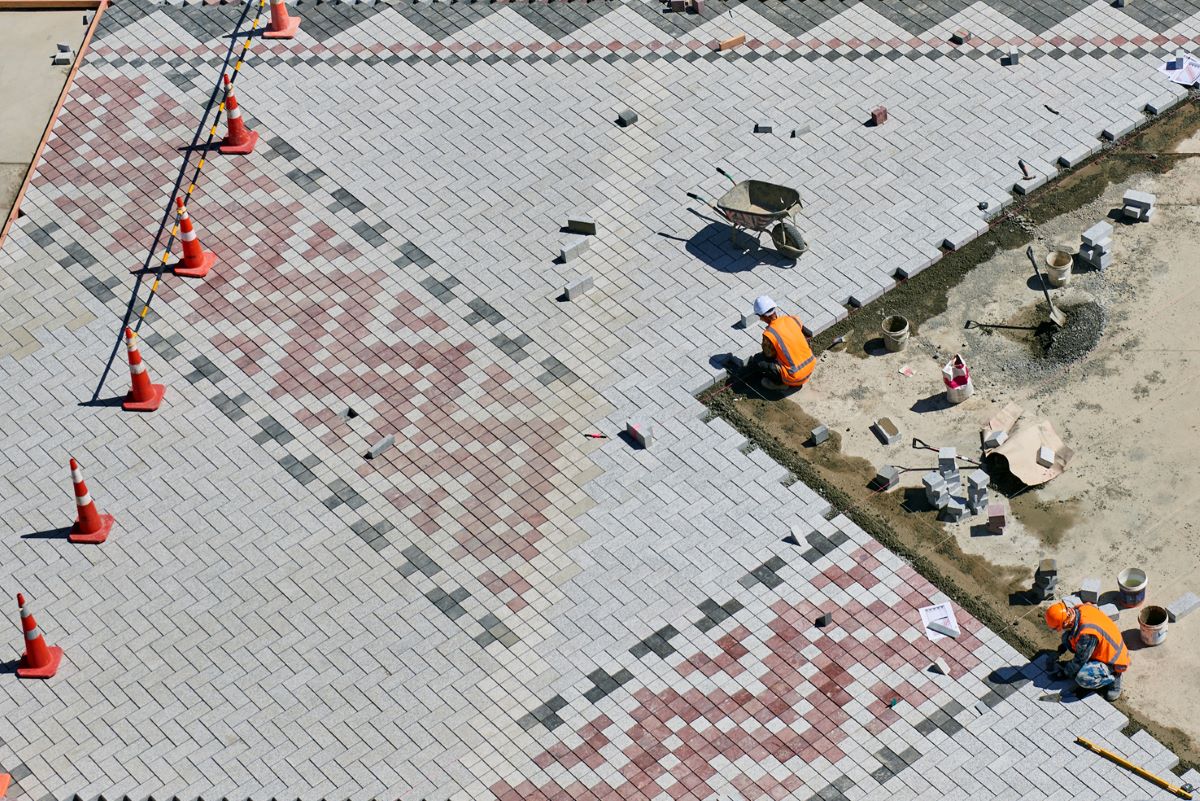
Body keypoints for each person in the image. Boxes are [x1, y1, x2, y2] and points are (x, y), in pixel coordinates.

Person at [1044, 600, 1130, 701]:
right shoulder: (1079, 609)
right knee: (1067, 637)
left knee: (1082, 678)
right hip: (1102, 646)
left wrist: (1066, 672)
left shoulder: (1087, 634)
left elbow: (1080, 661)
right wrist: (1060, 650)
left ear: (1066, 622)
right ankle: (1091, 663)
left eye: (1058, 627)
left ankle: (1114, 677)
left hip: (1114, 660)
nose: (1058, 630)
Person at [746, 295, 816, 391]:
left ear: (761, 317)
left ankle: (780, 384)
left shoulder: (769, 334)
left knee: (758, 360)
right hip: (811, 366)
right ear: (774, 309)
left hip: (794, 376)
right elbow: (806, 335)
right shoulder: (793, 319)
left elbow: (768, 357)